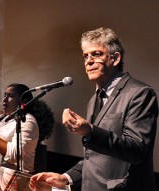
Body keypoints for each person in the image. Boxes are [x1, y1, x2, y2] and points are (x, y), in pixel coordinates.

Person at [30, 27, 158, 191]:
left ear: (115, 58)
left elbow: (137, 151)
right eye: (85, 56)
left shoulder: (139, 93)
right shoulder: (94, 99)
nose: (88, 61)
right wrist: (66, 178)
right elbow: (94, 156)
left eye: (96, 54)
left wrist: (90, 131)